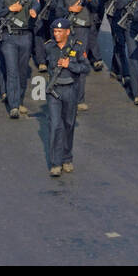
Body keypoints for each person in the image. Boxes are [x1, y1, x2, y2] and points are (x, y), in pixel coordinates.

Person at [44, 18, 89, 176]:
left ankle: (67, 158)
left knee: (68, 125)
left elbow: (85, 68)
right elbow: (42, 63)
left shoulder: (77, 47)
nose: (56, 34)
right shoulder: (49, 47)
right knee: (55, 126)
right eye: (55, 31)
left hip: (70, 90)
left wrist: (69, 65)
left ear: (67, 32)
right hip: (54, 92)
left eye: (59, 32)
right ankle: (56, 163)